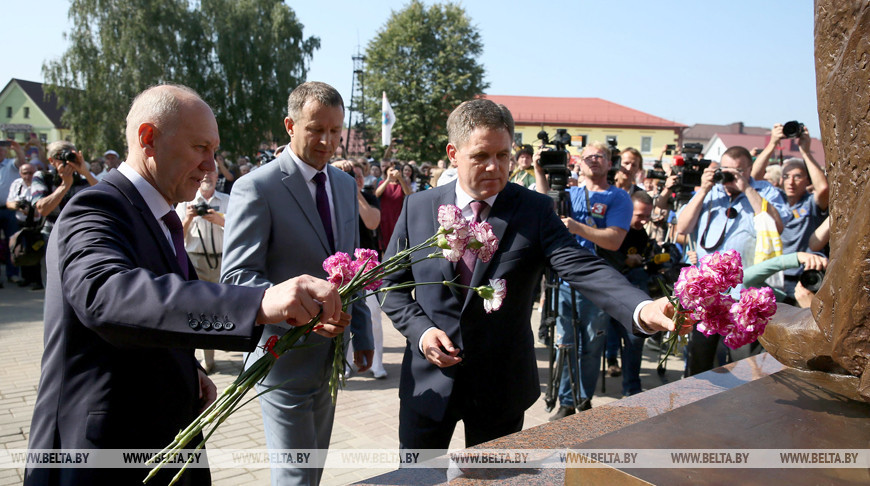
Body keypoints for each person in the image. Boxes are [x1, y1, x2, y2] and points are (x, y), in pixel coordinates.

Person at [24, 84, 348, 486]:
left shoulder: (160, 217)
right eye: (200, 148)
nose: (211, 167)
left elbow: (158, 315)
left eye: (214, 152)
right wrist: (260, 301)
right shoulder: (96, 207)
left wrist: (187, 366)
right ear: (148, 139)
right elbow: (108, 297)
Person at [380, 99, 681, 453]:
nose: (495, 167)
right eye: (481, 156)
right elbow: (391, 286)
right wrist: (422, 331)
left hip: (500, 387)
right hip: (428, 383)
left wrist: (640, 308)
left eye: (503, 155)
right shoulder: (418, 207)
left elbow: (580, 265)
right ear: (453, 153)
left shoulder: (535, 211)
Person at [221, 81, 372, 486]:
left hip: (329, 358)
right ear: (290, 125)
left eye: (335, 131)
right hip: (281, 359)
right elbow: (236, 278)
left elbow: (353, 266)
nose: (327, 141)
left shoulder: (343, 184)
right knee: (295, 476)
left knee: (313, 470)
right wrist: (296, 305)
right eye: (315, 129)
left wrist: (363, 331)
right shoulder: (257, 187)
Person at [534, 141, 634, 418]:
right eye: (588, 156)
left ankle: (582, 398)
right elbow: (542, 205)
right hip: (565, 280)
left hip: (599, 281)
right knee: (566, 342)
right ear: (578, 162)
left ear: (609, 162)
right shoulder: (569, 192)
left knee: (590, 345)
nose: (593, 160)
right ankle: (567, 401)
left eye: (599, 156)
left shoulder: (618, 197)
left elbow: (614, 240)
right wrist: (538, 169)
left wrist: (578, 227)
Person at [675, 145, 789, 376]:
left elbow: (776, 226)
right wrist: (705, 189)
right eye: (725, 169)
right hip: (708, 297)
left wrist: (746, 188)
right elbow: (683, 227)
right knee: (700, 365)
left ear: (749, 170)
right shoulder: (711, 192)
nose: (728, 176)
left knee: (748, 367)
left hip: (747, 295)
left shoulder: (764, 191)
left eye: (737, 170)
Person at [598, 191, 655, 396]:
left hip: (632, 291)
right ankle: (610, 360)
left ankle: (632, 389)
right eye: (640, 215)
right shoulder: (611, 229)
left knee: (635, 337)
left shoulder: (642, 234)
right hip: (608, 290)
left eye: (647, 216)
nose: (644, 221)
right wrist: (624, 261)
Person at [177, 169, 229, 373]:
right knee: (201, 309)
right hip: (196, 261)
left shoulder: (227, 200)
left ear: (218, 177)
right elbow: (177, 236)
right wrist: (189, 218)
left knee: (223, 308)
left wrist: (219, 220)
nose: (207, 176)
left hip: (223, 261)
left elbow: (241, 228)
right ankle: (207, 359)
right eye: (203, 173)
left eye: (212, 173)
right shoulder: (185, 202)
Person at [30, 141, 98, 240]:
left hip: (80, 232)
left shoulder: (84, 179)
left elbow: (107, 197)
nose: (67, 161)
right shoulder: (44, 177)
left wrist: (86, 172)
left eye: (71, 156)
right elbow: (43, 209)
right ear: (51, 161)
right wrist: (65, 185)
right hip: (53, 233)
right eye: (61, 157)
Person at [5, 162, 43, 289]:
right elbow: (8, 203)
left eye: (31, 173)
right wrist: (17, 206)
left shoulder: (40, 183)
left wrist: (33, 210)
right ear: (20, 173)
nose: (28, 176)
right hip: (20, 221)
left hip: (37, 222)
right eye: (24, 173)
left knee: (36, 250)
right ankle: (26, 278)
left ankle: (38, 280)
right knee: (21, 249)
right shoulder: (17, 184)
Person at [0, 139, 26, 286]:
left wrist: (17, 148)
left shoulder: (10, 165)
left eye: (1, 149)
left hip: (9, 209)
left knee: (13, 243)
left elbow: (22, 161)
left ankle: (13, 274)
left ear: (5, 152)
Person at [376, 163, 412, 253]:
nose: (393, 172)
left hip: (397, 216)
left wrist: (400, 178)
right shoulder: (382, 183)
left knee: (397, 240)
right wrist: (388, 180)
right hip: (385, 217)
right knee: (385, 240)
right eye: (390, 170)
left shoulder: (401, 184)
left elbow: (408, 194)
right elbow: (377, 193)